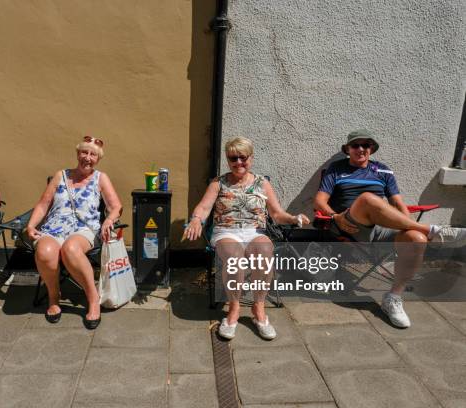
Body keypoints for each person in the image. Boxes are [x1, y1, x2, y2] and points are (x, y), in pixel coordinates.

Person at [314, 129, 466, 328]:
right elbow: (319, 201)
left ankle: (393, 297)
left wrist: (411, 229)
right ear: (348, 149)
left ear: (371, 149)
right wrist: (335, 217)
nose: (361, 149)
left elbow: (399, 205)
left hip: (380, 227)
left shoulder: (383, 170)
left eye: (365, 145)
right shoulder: (336, 169)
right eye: (355, 145)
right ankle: (432, 230)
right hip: (349, 226)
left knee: (416, 240)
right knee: (367, 198)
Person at [184, 136, 309, 340]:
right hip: (227, 230)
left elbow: (277, 214)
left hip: (254, 231)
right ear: (227, 159)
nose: (238, 163)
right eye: (233, 158)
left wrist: (294, 218)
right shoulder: (219, 183)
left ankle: (258, 309)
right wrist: (197, 219)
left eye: (242, 158)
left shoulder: (262, 183)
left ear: (251, 158)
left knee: (264, 252)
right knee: (234, 258)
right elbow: (204, 207)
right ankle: (234, 309)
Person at [26, 136, 121, 329]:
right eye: (84, 152)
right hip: (54, 227)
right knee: (45, 252)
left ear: (98, 159)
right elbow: (43, 204)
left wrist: (109, 220)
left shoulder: (100, 178)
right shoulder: (61, 175)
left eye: (92, 154)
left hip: (84, 229)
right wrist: (31, 225)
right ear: (77, 154)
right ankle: (53, 297)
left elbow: (116, 206)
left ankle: (93, 299)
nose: (87, 157)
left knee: (70, 248)